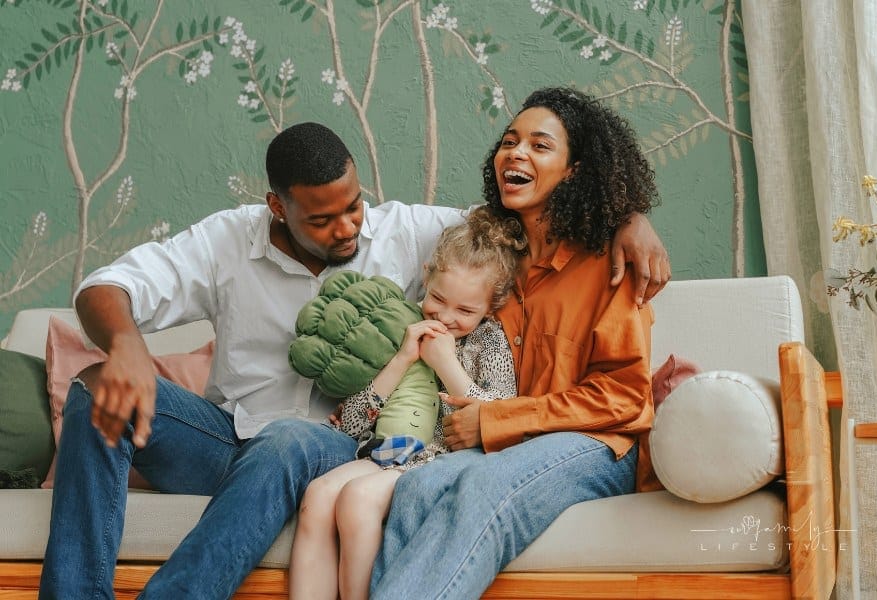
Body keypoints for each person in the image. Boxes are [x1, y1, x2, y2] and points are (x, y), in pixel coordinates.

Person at [38, 119, 668, 599]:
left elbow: (524, 218)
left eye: (354, 206)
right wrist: (125, 346)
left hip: (337, 442)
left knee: (287, 440)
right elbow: (107, 286)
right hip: (228, 441)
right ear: (277, 207)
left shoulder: (406, 232)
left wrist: (627, 217)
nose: (348, 228)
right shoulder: (225, 241)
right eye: (324, 218)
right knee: (94, 390)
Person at [369, 87, 660, 599]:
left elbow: (625, 397)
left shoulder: (610, 261)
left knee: (484, 487)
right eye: (510, 141)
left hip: (595, 446)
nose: (517, 153)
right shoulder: (493, 258)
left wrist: (633, 220)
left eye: (540, 145)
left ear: (574, 170)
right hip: (506, 444)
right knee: (415, 490)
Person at [289, 207, 522, 600]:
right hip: (386, 451)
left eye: (465, 311)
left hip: (443, 459)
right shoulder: (400, 328)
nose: (446, 317)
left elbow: (500, 419)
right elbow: (349, 426)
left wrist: (447, 364)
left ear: (491, 306)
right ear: (427, 276)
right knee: (318, 495)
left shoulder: (489, 340)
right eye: (438, 299)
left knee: (357, 499)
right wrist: (401, 359)